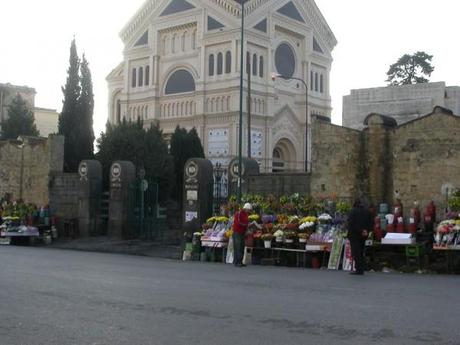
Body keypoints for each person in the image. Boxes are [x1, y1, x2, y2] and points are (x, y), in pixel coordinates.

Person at [347, 199, 373, 275]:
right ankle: (361, 268)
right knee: (361, 251)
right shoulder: (367, 212)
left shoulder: (353, 212)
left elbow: (351, 224)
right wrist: (366, 230)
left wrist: (360, 230)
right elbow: (371, 222)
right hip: (363, 235)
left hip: (354, 235)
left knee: (356, 252)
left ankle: (358, 269)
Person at [232, 203, 252, 267]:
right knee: (238, 246)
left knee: (242, 246)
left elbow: (245, 222)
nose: (249, 211)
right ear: (245, 208)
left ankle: (240, 261)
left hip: (242, 232)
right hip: (237, 232)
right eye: (248, 210)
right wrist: (246, 225)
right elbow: (239, 222)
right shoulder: (239, 213)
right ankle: (237, 262)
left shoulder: (246, 214)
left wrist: (247, 229)